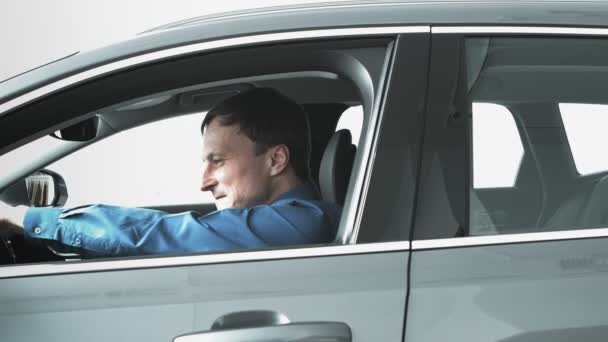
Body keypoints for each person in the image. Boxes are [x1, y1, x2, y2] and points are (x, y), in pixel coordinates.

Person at [0, 88, 342, 257]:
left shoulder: (302, 223)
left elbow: (158, 233)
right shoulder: (290, 224)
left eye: (218, 161)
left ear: (276, 160)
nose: (204, 181)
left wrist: (22, 218)